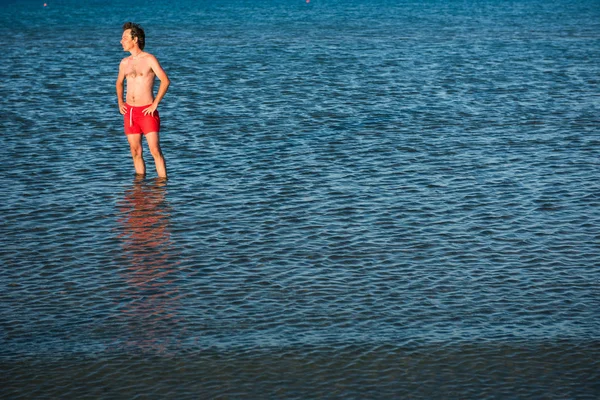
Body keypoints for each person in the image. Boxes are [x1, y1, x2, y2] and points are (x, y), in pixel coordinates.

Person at [116, 22, 170, 178]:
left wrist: (155, 103)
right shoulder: (124, 62)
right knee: (135, 151)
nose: (121, 41)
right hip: (130, 112)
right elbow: (119, 82)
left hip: (147, 111)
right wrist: (120, 102)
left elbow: (165, 81)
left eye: (125, 38)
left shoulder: (149, 59)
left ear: (135, 39)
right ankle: (139, 188)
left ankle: (162, 185)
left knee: (154, 150)